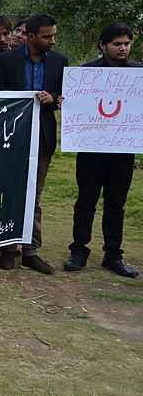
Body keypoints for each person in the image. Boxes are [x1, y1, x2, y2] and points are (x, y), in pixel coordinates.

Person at [0, 13, 68, 274]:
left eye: (54, 36)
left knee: (34, 193)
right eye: (47, 36)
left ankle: (30, 249)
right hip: (11, 136)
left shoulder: (60, 61)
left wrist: (55, 97)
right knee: (9, 189)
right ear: (31, 37)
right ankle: (7, 248)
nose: (52, 41)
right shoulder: (5, 61)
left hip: (43, 136)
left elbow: (64, 97)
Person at [64, 22, 139, 278]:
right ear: (102, 45)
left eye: (126, 44)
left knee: (116, 204)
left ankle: (113, 255)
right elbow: (77, 106)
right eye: (116, 44)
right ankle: (78, 251)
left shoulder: (137, 74)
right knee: (86, 200)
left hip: (122, 150)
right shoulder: (86, 73)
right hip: (90, 149)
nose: (122, 48)